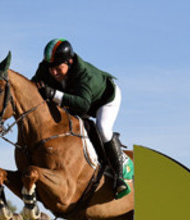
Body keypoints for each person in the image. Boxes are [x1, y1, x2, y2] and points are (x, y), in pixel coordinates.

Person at [31, 38, 133, 199]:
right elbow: (32, 88)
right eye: (50, 68)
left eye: (58, 68)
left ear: (70, 62)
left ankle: (120, 172)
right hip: (78, 99)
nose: (53, 73)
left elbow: (83, 105)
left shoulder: (83, 73)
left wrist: (54, 94)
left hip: (104, 100)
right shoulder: (46, 68)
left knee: (103, 128)